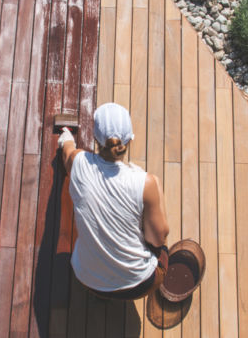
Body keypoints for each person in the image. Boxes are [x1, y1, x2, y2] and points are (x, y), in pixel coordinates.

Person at [57, 103, 170, 301]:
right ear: (129, 140)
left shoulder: (79, 163)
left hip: (89, 280)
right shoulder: (145, 183)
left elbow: (67, 153)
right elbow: (158, 240)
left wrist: (66, 136)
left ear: (96, 139)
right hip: (140, 284)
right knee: (160, 231)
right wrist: (152, 184)